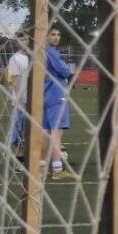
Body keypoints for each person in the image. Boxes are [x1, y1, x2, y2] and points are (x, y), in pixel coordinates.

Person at [43, 27, 74, 179]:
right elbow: (65, 71)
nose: (56, 37)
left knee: (47, 132)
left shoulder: (39, 51)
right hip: (56, 95)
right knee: (57, 132)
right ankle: (57, 169)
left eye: (58, 35)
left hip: (45, 94)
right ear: (46, 36)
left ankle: (42, 166)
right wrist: (68, 71)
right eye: (53, 34)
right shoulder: (50, 52)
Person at [6, 31, 31, 159]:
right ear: (17, 42)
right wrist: (19, 100)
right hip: (21, 101)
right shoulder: (15, 59)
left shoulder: (33, 57)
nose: (24, 42)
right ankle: (18, 157)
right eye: (21, 40)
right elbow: (13, 81)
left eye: (26, 39)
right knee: (17, 130)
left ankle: (27, 157)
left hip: (33, 100)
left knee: (30, 129)